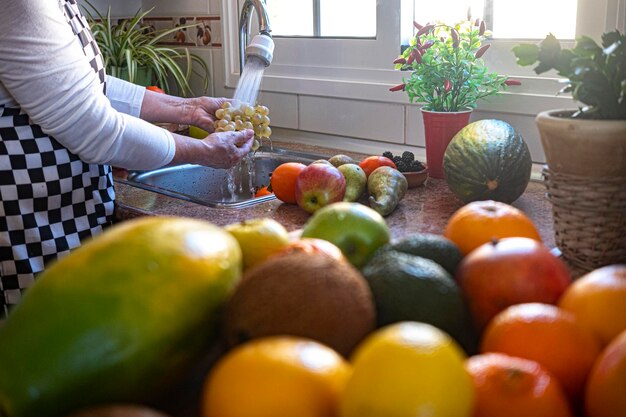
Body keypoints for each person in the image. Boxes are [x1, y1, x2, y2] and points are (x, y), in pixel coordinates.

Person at [0, 0, 254, 318]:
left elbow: (83, 87)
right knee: (39, 345)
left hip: (59, 213)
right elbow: (94, 127)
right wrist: (202, 152)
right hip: (29, 221)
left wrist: (187, 109)